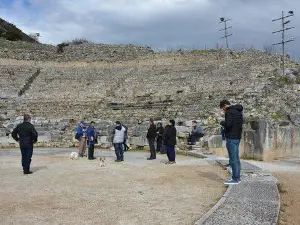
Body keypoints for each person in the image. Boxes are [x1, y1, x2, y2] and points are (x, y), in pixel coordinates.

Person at [220, 100, 243, 185]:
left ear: (225, 105)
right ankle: (237, 177)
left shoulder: (229, 112)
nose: (223, 110)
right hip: (237, 137)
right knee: (236, 158)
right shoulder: (238, 111)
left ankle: (235, 178)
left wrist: (222, 123)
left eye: (223, 108)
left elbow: (228, 125)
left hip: (231, 137)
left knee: (233, 159)